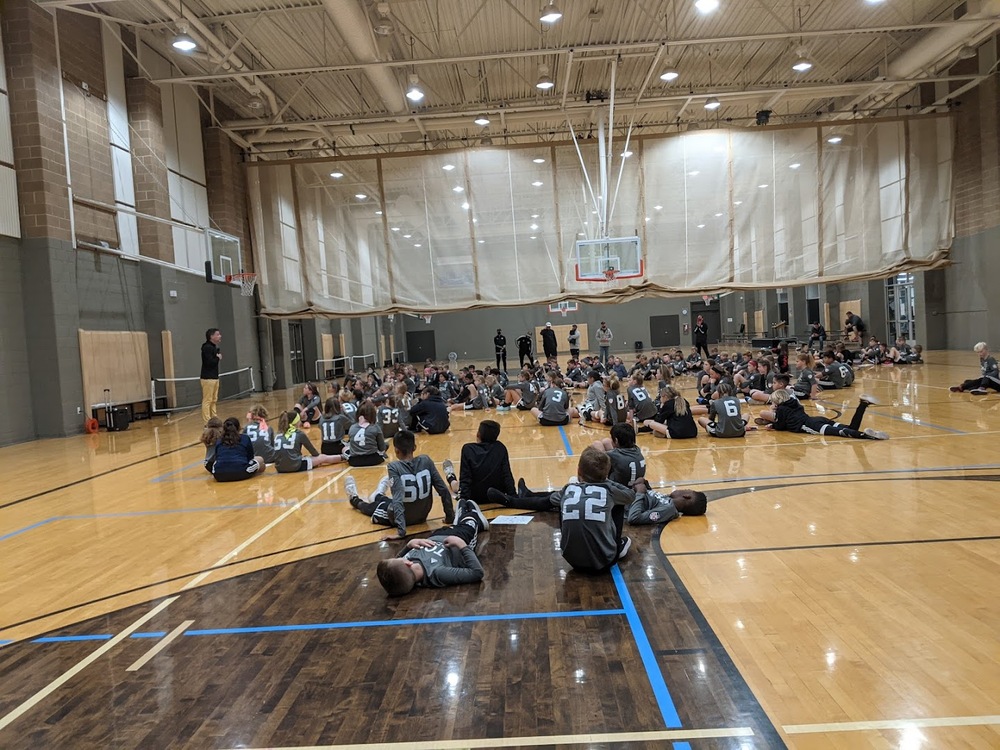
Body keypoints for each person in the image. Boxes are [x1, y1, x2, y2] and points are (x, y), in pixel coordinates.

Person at [346, 430, 455, 539]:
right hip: (422, 516)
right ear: (415, 447)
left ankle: (354, 499)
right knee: (386, 501)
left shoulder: (394, 467)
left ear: (396, 450)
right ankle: (378, 494)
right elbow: (443, 490)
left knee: (371, 507)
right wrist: (450, 517)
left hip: (404, 518)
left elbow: (397, 499)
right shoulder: (426, 460)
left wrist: (401, 532)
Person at [375, 499, 490, 596]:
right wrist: (462, 545)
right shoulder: (438, 573)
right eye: (397, 558)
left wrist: (408, 545)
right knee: (470, 519)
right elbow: (477, 573)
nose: (398, 556)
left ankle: (460, 519)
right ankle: (474, 519)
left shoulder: (405, 568)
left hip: (437, 535)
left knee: (452, 525)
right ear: (407, 564)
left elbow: (396, 566)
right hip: (458, 540)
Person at [557, 447, 634, 574]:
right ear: (606, 475)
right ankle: (617, 544)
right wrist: (606, 481)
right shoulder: (609, 490)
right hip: (604, 561)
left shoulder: (568, 489)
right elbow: (630, 495)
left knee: (562, 504)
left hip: (571, 560)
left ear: (578, 470)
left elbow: (549, 500)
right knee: (619, 504)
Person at [441, 419, 516, 506]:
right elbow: (507, 475)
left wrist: (463, 501)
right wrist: (513, 497)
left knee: (455, 487)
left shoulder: (468, 449)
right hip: (496, 496)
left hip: (475, 498)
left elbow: (465, 478)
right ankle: (452, 478)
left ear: (478, 434)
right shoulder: (500, 447)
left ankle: (450, 477)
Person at [767, 389, 888, 439]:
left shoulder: (781, 409)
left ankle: (866, 436)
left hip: (811, 425)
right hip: (818, 419)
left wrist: (773, 425)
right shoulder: (795, 403)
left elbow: (781, 425)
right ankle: (863, 405)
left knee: (843, 433)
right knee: (852, 428)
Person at [272, 410, 342, 472]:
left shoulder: (278, 435)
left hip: (279, 468)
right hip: (296, 466)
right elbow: (314, 453)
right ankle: (343, 457)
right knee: (322, 458)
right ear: (296, 422)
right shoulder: (299, 433)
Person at [205, 417, 265, 482]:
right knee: (260, 459)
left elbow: (217, 458)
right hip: (241, 472)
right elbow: (250, 457)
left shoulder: (219, 440)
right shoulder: (245, 438)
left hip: (219, 475)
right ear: (239, 428)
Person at [591, 422, 646, 487]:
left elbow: (604, 457)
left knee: (597, 444)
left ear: (616, 441)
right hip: (635, 486)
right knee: (606, 441)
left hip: (618, 489)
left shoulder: (613, 455)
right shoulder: (637, 449)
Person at [627, 482, 707, 526]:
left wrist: (640, 493)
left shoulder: (668, 510)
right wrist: (646, 486)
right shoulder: (668, 500)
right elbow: (652, 502)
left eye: (686, 489)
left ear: (686, 496)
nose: (682, 489)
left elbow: (634, 518)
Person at [200, 328, 222, 423]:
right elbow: (209, 362)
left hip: (214, 377)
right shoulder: (207, 348)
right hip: (208, 378)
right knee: (207, 400)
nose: (220, 336)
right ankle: (207, 422)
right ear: (211, 336)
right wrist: (218, 358)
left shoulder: (213, 347)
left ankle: (214, 418)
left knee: (214, 400)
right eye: (217, 334)